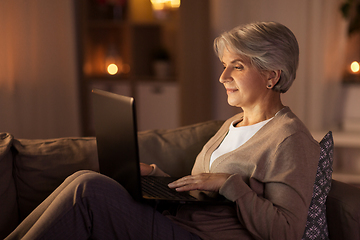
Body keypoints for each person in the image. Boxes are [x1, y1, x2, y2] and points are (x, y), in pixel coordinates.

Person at [5, 21, 320, 240]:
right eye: (224, 65)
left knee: (89, 189)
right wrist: (154, 174)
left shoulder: (290, 139)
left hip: (202, 237)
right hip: (178, 224)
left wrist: (230, 184)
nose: (223, 76)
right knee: (84, 179)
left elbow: (286, 231)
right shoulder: (231, 124)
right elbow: (201, 192)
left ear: (272, 75)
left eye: (237, 66)